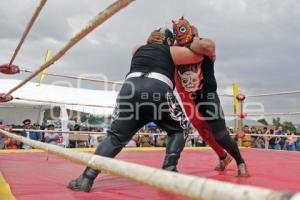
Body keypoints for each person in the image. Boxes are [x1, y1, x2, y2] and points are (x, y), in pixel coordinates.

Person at [68, 28, 203, 192]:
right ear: (169, 41)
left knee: (115, 137)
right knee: (180, 128)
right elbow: (199, 54)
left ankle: (87, 177)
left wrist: (150, 41)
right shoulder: (172, 50)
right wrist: (193, 36)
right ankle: (169, 170)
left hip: (129, 91)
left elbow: (143, 47)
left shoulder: (137, 49)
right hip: (156, 90)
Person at [148, 17, 247, 176]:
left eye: (183, 32)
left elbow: (207, 45)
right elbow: (154, 53)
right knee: (203, 132)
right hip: (188, 99)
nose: (181, 37)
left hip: (206, 96)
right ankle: (223, 157)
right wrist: (153, 40)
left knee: (220, 135)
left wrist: (191, 38)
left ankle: (240, 161)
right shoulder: (176, 52)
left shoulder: (203, 48)